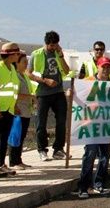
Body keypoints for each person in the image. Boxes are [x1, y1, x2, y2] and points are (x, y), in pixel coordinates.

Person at [26, 31, 71, 161]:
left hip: (58, 92)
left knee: (62, 122)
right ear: (46, 44)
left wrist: (61, 55)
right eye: (51, 45)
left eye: (56, 45)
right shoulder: (37, 54)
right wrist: (45, 80)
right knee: (41, 122)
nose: (53, 47)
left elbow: (67, 71)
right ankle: (42, 150)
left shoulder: (58, 53)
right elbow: (29, 73)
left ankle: (58, 149)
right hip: (43, 93)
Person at [78, 57, 110, 198]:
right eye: (103, 67)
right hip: (91, 125)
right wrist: (69, 94)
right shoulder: (88, 81)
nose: (105, 70)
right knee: (90, 155)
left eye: (108, 67)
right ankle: (83, 187)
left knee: (104, 157)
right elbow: (76, 95)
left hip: (106, 125)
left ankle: (98, 184)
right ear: (97, 67)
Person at [0, 42, 21, 177]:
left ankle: (1, 163)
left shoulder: (13, 68)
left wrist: (14, 105)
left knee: (4, 138)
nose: (19, 56)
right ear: (11, 55)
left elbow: (13, 89)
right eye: (17, 53)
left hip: (9, 108)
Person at [9, 52, 35, 170]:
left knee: (22, 136)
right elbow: (16, 94)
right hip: (18, 110)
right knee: (16, 135)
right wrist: (30, 97)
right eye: (24, 62)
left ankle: (18, 159)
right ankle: (13, 161)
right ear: (17, 63)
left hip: (26, 110)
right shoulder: (15, 76)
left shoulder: (24, 75)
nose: (26, 64)